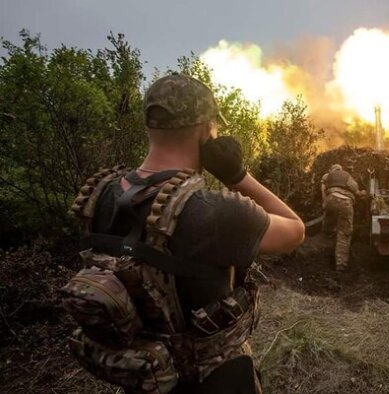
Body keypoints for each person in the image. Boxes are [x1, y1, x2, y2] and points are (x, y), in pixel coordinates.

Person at [69, 74, 305, 393]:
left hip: (147, 378)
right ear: (207, 130)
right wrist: (237, 176)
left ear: (150, 127)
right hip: (218, 379)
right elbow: (294, 230)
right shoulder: (212, 210)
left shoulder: (101, 195)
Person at [321, 164, 365, 271]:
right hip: (345, 202)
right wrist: (362, 193)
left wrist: (325, 202)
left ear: (331, 169)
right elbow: (356, 190)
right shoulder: (346, 176)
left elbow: (322, 188)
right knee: (344, 233)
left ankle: (326, 238)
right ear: (341, 169)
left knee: (329, 222)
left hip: (330, 199)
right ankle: (340, 265)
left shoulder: (327, 175)